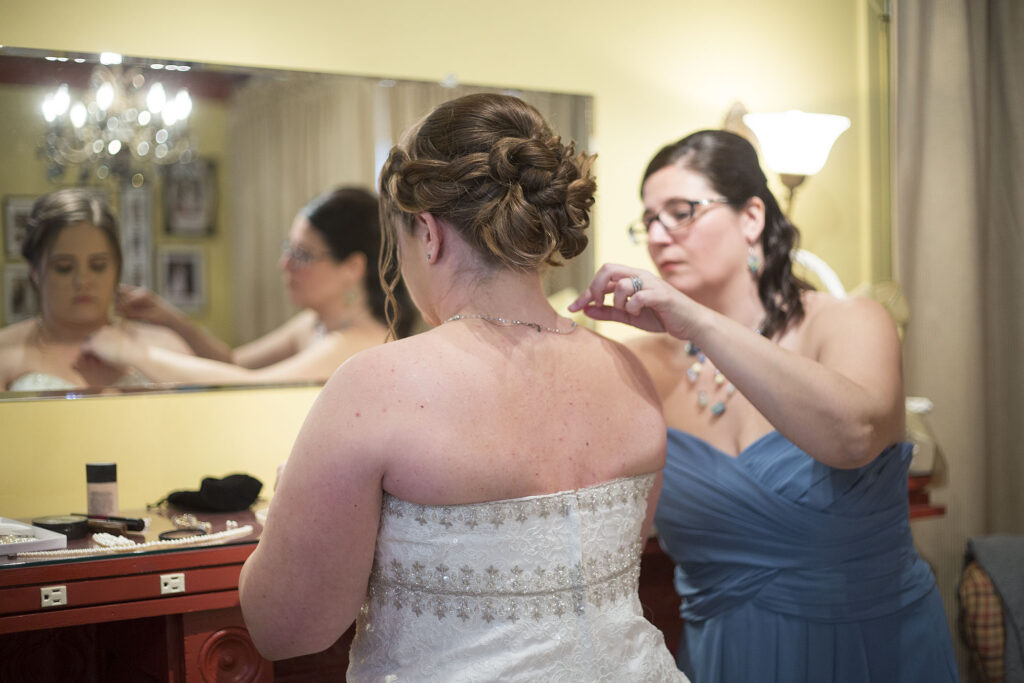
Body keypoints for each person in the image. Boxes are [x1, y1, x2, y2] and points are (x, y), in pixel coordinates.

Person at [238, 93, 688, 682]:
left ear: (427, 233)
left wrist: (281, 514)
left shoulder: (376, 388)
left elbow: (286, 630)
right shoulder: (630, 372)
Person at [569, 129, 958, 682]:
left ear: (752, 217)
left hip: (873, 650)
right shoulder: (643, 365)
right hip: (728, 655)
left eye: (680, 212)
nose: (658, 236)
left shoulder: (850, 322)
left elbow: (852, 438)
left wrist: (699, 320)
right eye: (649, 220)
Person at [83, 187, 413, 384]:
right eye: (289, 248)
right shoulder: (314, 325)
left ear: (352, 267)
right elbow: (234, 362)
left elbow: (250, 385)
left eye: (301, 254)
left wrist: (136, 354)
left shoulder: (357, 344)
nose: (284, 264)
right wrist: (169, 319)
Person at [0, 189, 191, 391]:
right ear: (35, 271)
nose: (82, 281)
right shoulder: (5, 350)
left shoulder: (161, 344)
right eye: (64, 267)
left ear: (117, 268)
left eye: (98, 266)